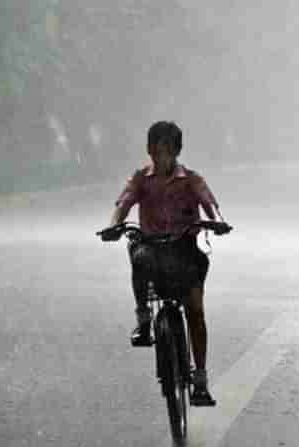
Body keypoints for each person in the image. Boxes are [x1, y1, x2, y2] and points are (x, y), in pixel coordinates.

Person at [99, 121, 225, 407]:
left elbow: (210, 204)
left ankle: (201, 379)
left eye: (167, 151)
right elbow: (123, 204)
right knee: (137, 254)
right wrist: (113, 226)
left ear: (177, 151)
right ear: (149, 150)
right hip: (153, 248)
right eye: (156, 151)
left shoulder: (191, 180)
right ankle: (144, 318)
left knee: (195, 311)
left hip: (185, 249)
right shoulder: (141, 179)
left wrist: (217, 223)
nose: (161, 157)